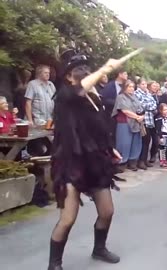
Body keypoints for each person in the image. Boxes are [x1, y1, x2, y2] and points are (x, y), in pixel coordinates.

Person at [47, 51, 123, 270]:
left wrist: (110, 149)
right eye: (77, 71)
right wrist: (105, 69)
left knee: (107, 211)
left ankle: (99, 248)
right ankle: (54, 264)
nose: (84, 73)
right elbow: (76, 92)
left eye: (86, 69)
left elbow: (99, 129)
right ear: (69, 77)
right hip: (71, 163)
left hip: (95, 161)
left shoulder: (93, 97)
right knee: (68, 218)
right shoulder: (64, 95)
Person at [112, 80, 144, 171]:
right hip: (124, 122)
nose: (131, 89)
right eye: (129, 86)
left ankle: (132, 162)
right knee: (124, 143)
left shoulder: (134, 97)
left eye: (133, 87)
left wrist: (142, 116)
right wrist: (137, 117)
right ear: (125, 87)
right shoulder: (120, 97)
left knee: (135, 143)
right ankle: (121, 163)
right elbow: (124, 110)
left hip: (136, 123)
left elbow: (140, 108)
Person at [135, 78, 158, 170]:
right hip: (142, 120)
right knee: (144, 141)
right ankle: (140, 161)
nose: (144, 86)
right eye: (142, 84)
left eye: (145, 84)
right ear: (139, 85)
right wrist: (149, 106)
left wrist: (149, 105)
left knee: (148, 141)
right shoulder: (137, 93)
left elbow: (154, 104)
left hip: (150, 120)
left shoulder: (148, 93)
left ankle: (144, 160)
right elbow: (140, 106)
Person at [155, 103, 167, 167]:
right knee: (162, 149)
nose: (166, 111)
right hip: (162, 135)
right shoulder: (159, 119)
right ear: (160, 111)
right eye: (164, 110)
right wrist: (160, 137)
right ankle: (162, 161)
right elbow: (158, 129)